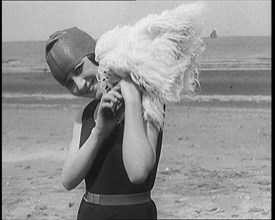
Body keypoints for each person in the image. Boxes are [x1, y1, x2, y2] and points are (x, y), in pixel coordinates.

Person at [45, 27, 164, 219]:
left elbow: (138, 172)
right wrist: (99, 132)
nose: (80, 84)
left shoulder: (148, 101)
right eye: (70, 84)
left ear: (95, 56)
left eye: (79, 69)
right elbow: (68, 180)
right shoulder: (85, 115)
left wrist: (132, 96)